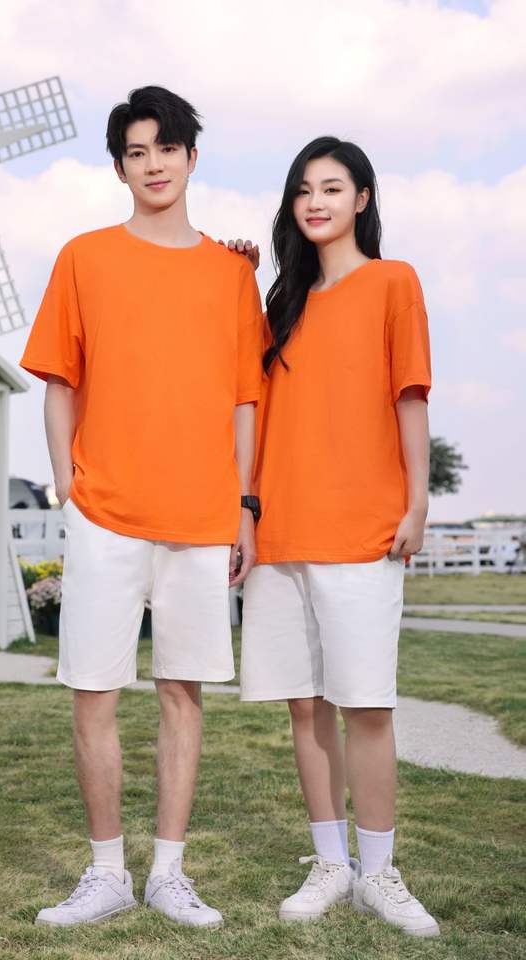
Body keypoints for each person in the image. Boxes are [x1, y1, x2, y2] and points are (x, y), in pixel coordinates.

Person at [19, 86, 263, 928]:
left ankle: (167, 873)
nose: (153, 163)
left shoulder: (232, 274)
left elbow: (245, 401)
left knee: (181, 694)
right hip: (104, 511)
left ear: (191, 157)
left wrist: (244, 508)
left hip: (200, 516)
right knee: (93, 693)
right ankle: (104, 875)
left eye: (166, 147)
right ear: (119, 167)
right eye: (135, 151)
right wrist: (67, 483)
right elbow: (59, 382)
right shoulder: (83, 257)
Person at [238, 136, 439, 937]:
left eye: (330, 187)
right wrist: (237, 276)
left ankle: (379, 874)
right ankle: (330, 864)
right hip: (282, 530)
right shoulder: (280, 306)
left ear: (361, 198)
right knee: (304, 706)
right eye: (302, 189)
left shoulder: (393, 282)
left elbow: (409, 396)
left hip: (362, 528)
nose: (314, 201)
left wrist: (416, 500)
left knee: (366, 706)